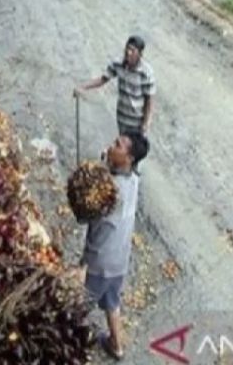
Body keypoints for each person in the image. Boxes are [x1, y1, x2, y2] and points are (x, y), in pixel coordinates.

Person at [81, 131, 149, 360]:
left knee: (75, 307)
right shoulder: (134, 180)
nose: (111, 146)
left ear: (128, 158)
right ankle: (116, 346)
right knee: (112, 303)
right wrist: (108, 162)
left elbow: (84, 215)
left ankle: (69, 345)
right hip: (120, 259)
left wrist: (96, 171)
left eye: (117, 145)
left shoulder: (110, 190)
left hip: (100, 260)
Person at [75, 35, 156, 138]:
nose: (128, 53)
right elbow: (103, 79)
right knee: (121, 148)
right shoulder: (118, 64)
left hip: (137, 122)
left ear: (140, 54)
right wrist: (82, 87)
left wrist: (146, 123)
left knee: (131, 151)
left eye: (132, 50)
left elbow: (149, 101)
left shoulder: (146, 73)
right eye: (127, 48)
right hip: (122, 118)